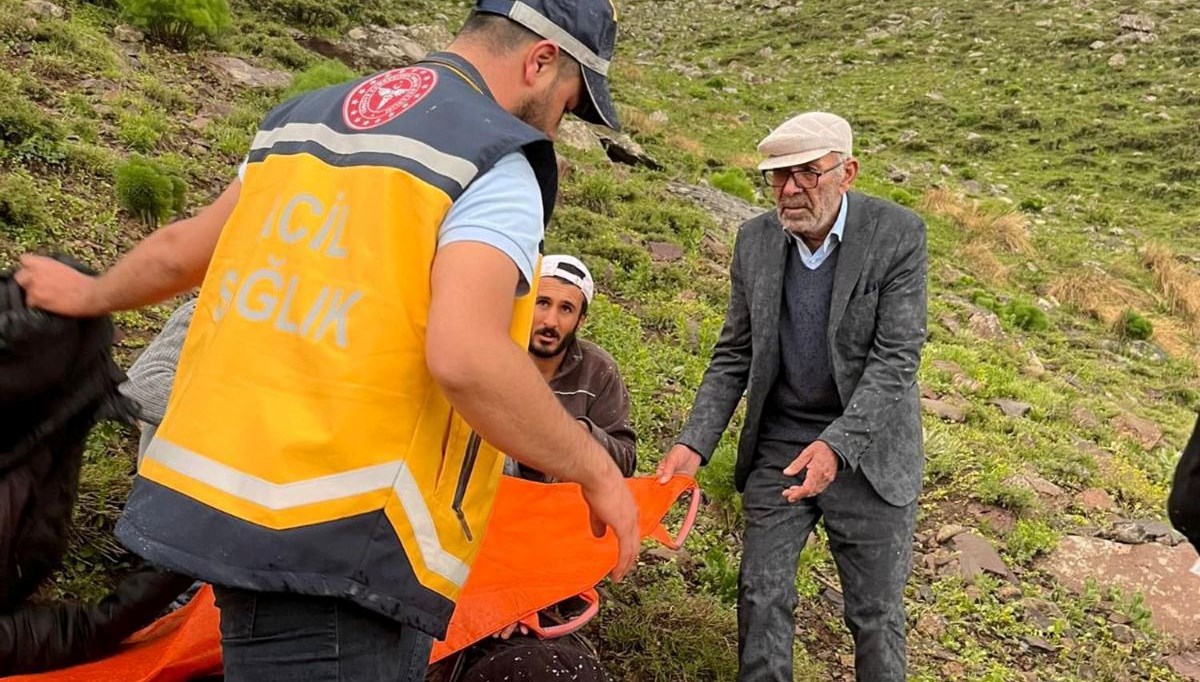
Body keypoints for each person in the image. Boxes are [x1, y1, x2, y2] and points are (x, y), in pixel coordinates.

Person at [14, 1, 639, 680]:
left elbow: (187, 248)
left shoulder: (303, 118)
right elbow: (468, 356)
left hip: (233, 509)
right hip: (348, 541)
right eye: (570, 103)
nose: (559, 122)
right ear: (542, 60)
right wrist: (598, 471)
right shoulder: (494, 158)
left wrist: (90, 293)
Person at [656, 112, 928, 681]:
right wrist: (694, 443)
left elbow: (895, 359)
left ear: (846, 172)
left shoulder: (898, 234)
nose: (790, 189)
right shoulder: (754, 241)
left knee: (875, 613)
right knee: (761, 592)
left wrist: (838, 446)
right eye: (778, 176)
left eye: (807, 172)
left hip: (869, 447)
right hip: (782, 438)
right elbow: (734, 352)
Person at [513, 254, 636, 481]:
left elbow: (626, 461)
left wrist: (582, 433)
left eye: (566, 309)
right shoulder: (497, 353)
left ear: (581, 321)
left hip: (561, 506)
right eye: (543, 303)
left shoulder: (599, 371)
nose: (550, 321)